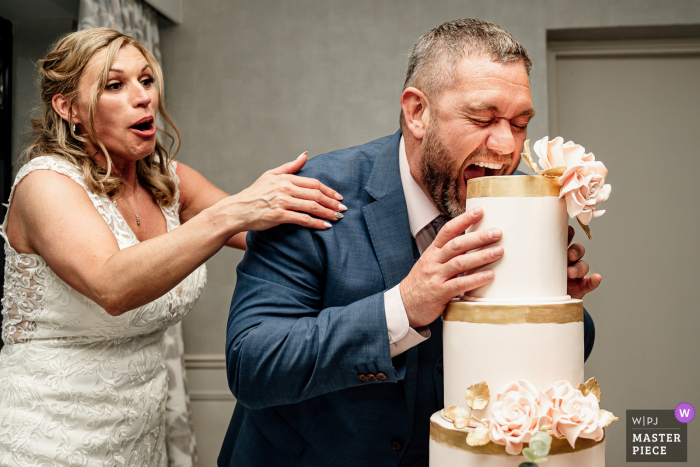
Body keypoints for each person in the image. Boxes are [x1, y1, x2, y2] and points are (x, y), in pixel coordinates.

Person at [220, 18, 600, 467]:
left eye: (519, 124)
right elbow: (253, 363)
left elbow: (565, 348)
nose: (504, 148)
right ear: (416, 112)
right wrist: (404, 306)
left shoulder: (518, 197)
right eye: (482, 118)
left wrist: (548, 299)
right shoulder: (314, 192)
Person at [0, 28, 347, 466]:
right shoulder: (44, 184)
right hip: (44, 435)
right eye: (114, 85)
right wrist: (231, 214)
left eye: (146, 80)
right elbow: (112, 286)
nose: (143, 97)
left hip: (138, 434)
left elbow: (270, 233)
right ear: (68, 108)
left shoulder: (166, 179)